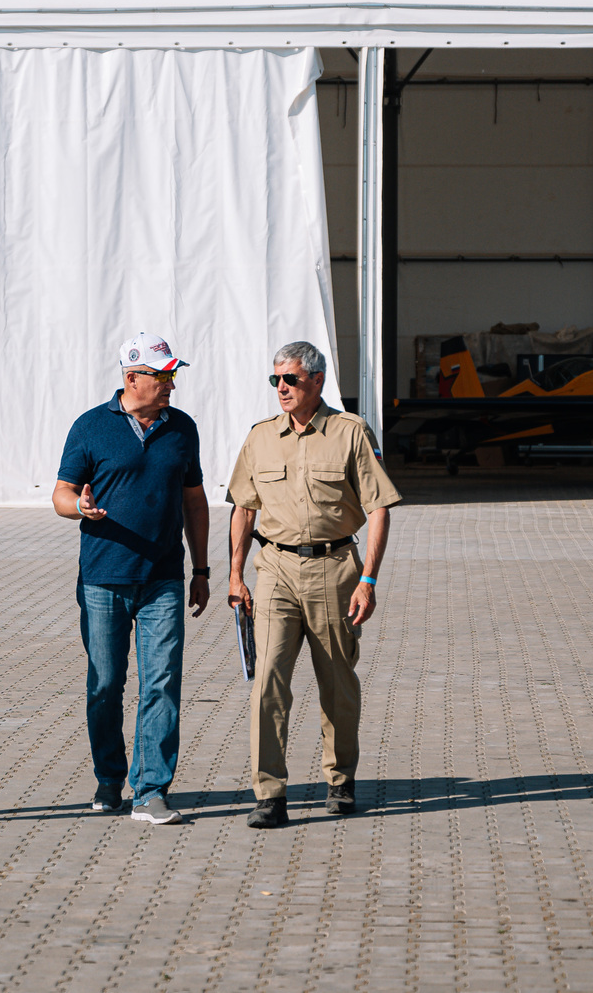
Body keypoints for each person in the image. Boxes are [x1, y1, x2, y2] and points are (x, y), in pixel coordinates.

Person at [227, 341, 401, 827]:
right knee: (268, 681)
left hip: (334, 568)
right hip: (275, 570)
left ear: (317, 381)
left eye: (291, 379)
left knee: (337, 682)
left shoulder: (350, 432)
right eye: (275, 380)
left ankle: (340, 780)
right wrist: (235, 574)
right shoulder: (260, 437)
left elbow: (379, 508)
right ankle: (269, 793)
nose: (281, 388)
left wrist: (368, 579)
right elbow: (244, 508)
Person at [52, 332, 210, 825]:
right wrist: (79, 506)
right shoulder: (90, 426)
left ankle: (151, 790)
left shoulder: (182, 428)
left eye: (172, 376)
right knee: (105, 685)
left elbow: (195, 501)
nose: (171, 385)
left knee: (161, 683)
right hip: (103, 579)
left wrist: (201, 569)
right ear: (132, 377)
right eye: (163, 377)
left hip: (163, 579)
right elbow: (60, 494)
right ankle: (109, 779)